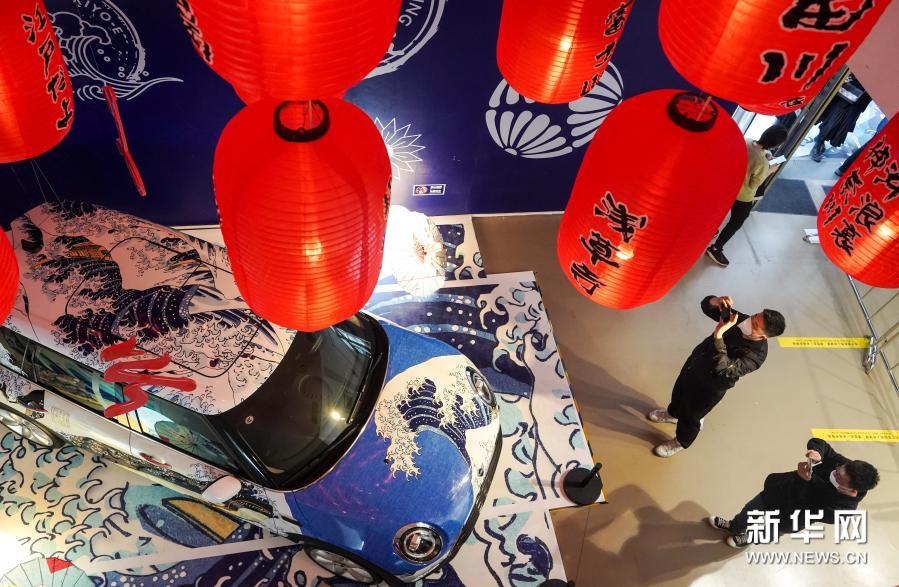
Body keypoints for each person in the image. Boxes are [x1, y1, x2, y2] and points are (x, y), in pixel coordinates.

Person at [648, 295, 785, 457]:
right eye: (754, 316)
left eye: (755, 325)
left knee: (692, 415)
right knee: (679, 391)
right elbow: (708, 308)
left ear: (763, 337)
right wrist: (715, 302)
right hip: (695, 364)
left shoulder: (756, 356)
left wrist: (718, 336)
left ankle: (680, 441)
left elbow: (724, 368)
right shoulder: (740, 320)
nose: (749, 322)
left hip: (711, 385)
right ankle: (673, 414)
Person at [709, 437, 879, 548]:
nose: (836, 470)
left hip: (791, 517)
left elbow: (803, 503)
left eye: (839, 476)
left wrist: (803, 480)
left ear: (852, 490)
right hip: (778, 493)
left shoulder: (842, 512)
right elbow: (824, 446)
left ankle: (749, 537)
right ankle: (734, 525)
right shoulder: (844, 466)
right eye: (840, 467)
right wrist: (817, 451)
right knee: (751, 509)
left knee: (770, 530)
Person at [706, 125, 789, 267]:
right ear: (776, 144)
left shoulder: (747, 141)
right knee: (736, 221)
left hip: (728, 185)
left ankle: (710, 230)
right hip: (743, 195)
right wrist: (770, 170)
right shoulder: (762, 163)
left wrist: (766, 155)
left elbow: (753, 154)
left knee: (721, 209)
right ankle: (715, 249)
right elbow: (753, 185)